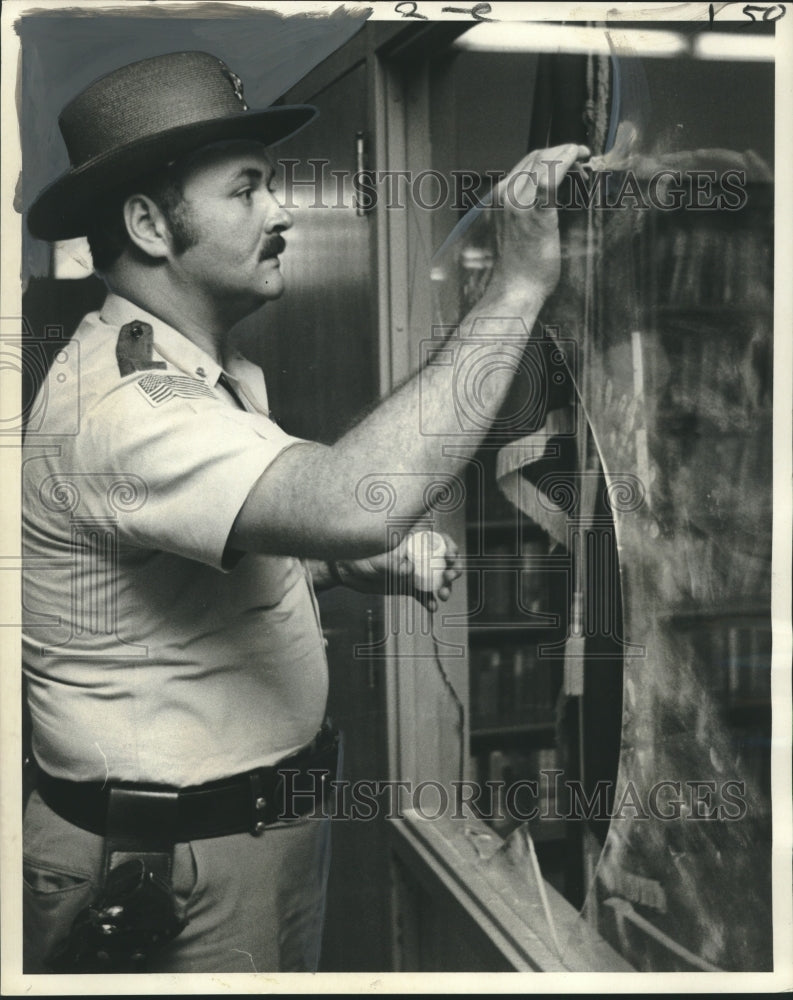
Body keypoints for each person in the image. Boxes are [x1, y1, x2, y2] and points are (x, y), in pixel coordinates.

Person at [21, 50, 588, 974]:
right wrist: (517, 285)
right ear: (148, 225)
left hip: (238, 838)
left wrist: (331, 565)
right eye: (247, 191)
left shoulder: (216, 379)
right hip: (170, 865)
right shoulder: (130, 408)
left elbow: (196, 555)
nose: (282, 212)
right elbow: (354, 504)